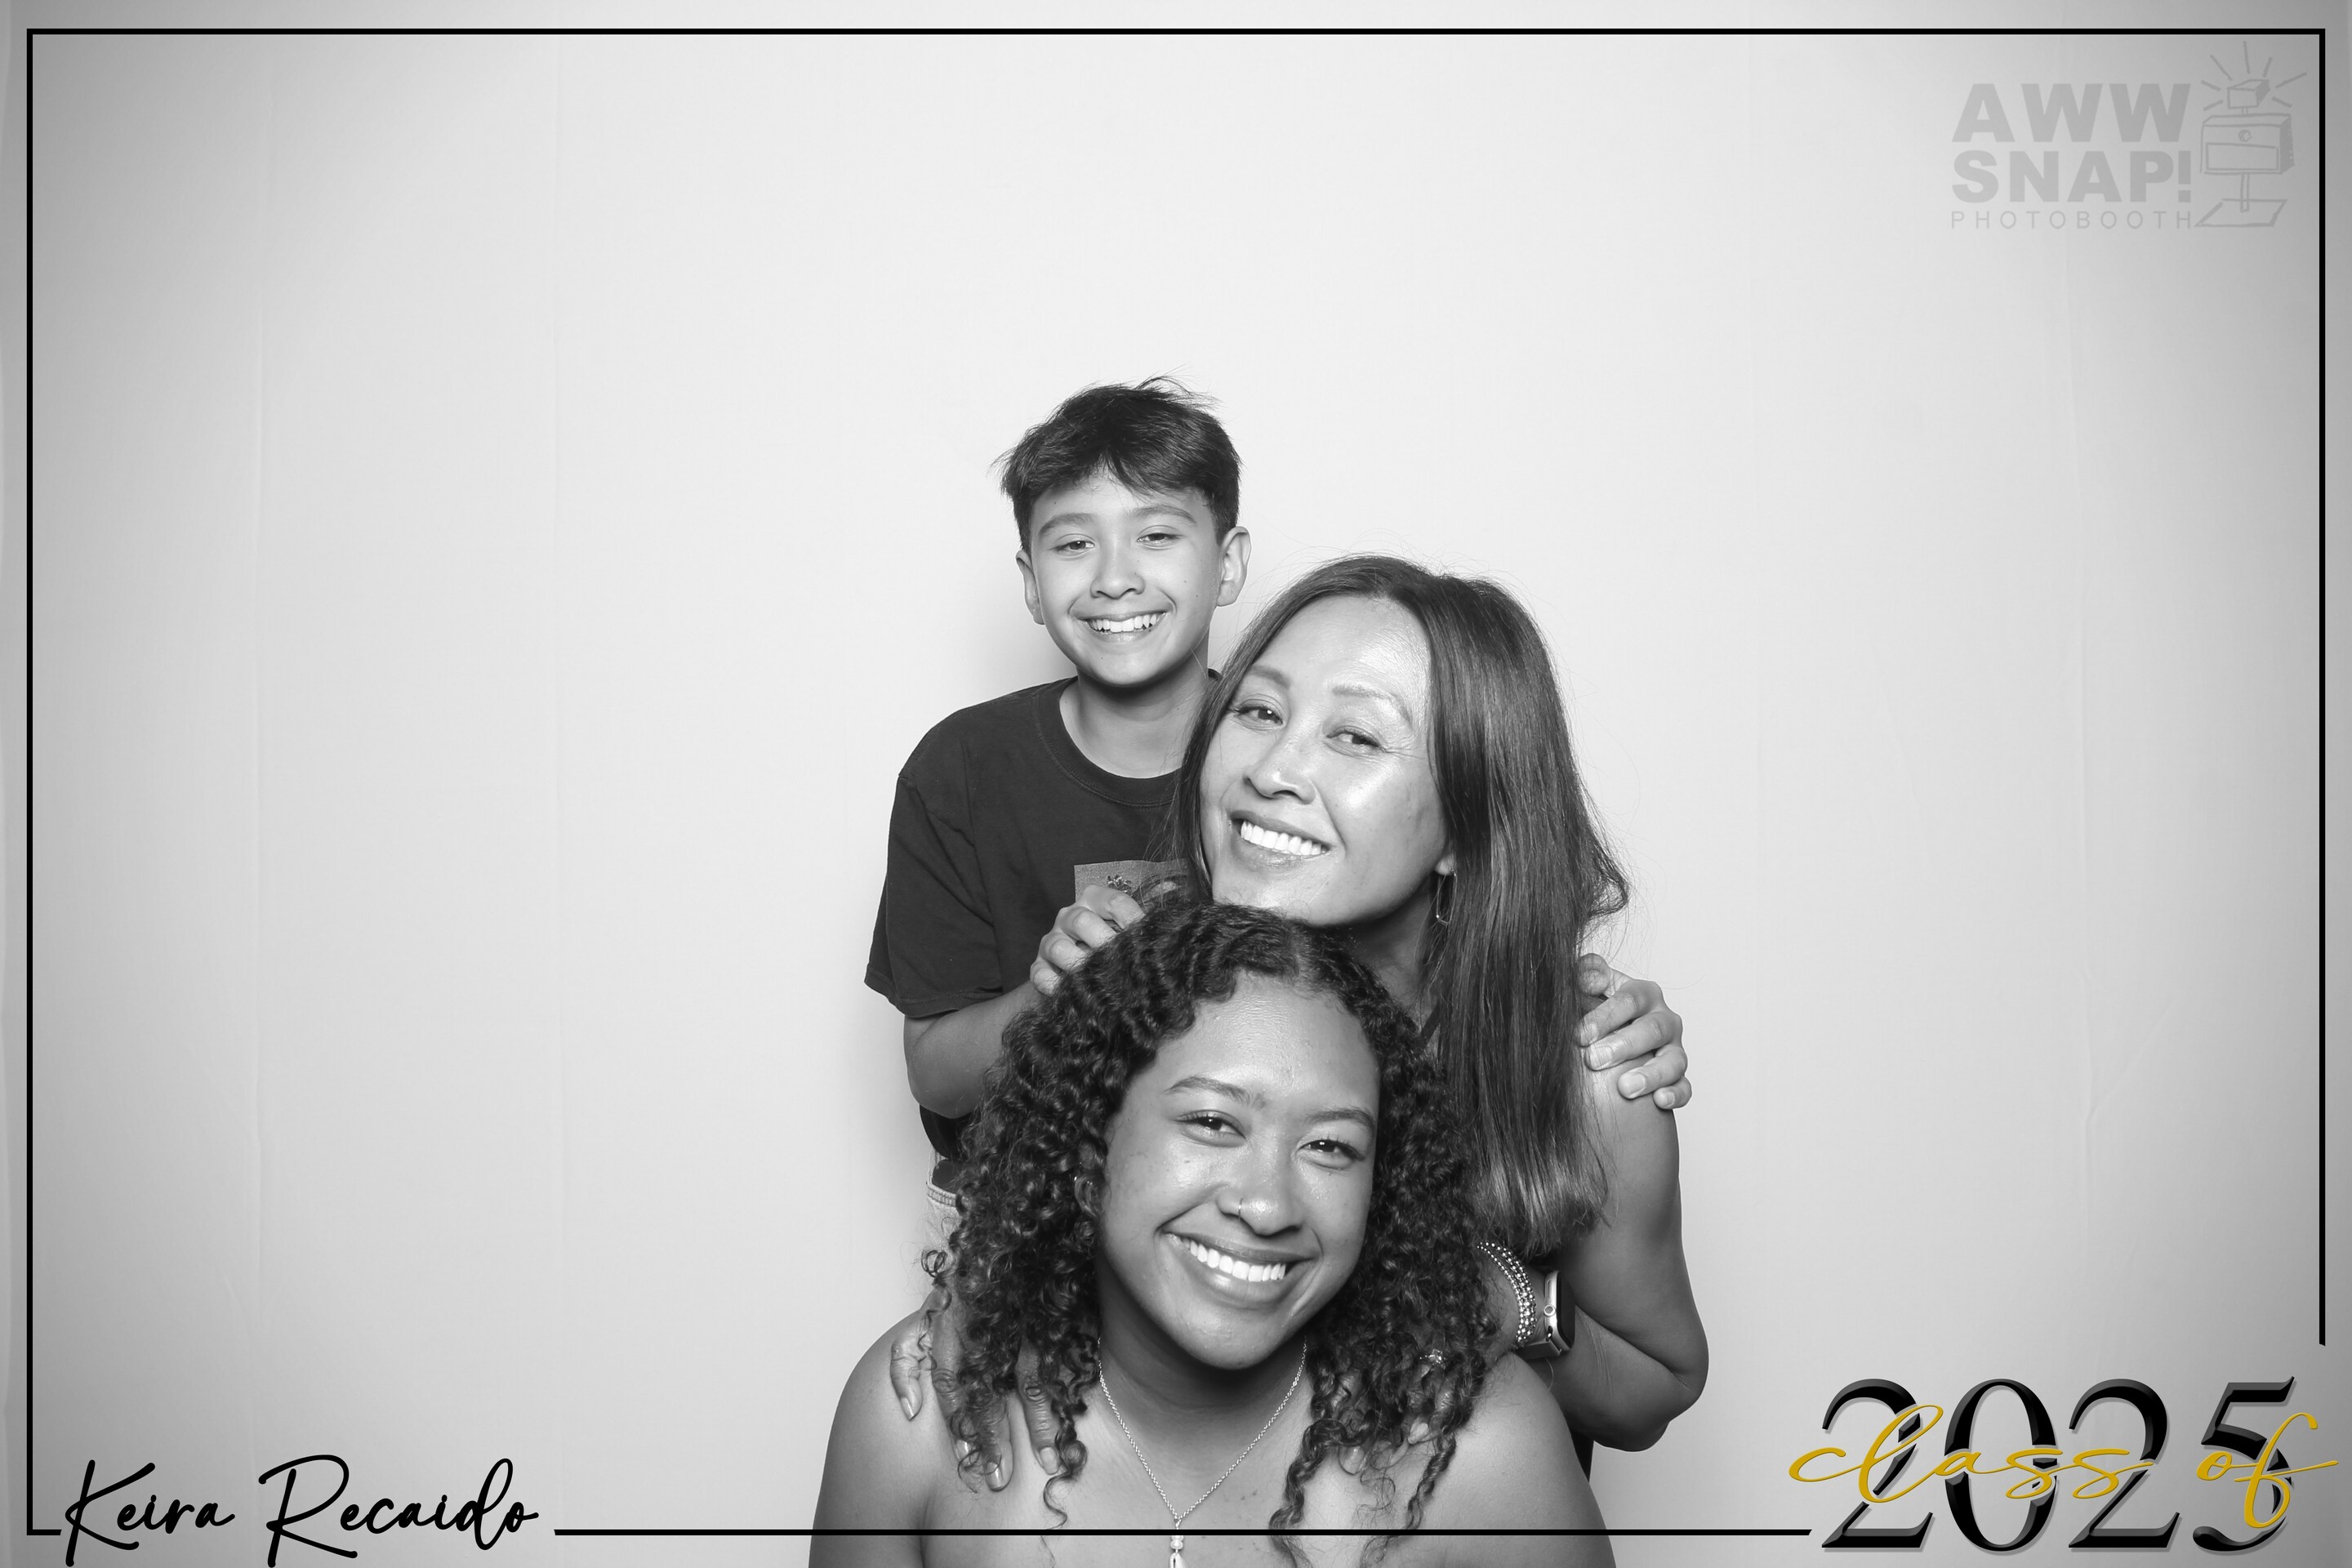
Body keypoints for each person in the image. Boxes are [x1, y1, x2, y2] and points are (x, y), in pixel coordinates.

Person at [897, 555, 1707, 1474]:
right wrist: (995, 1299)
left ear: (1467, 823)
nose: (1274, 769)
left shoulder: (1588, 1067)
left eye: (1355, 736)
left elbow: (1652, 1391)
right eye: (1258, 711)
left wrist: (1495, 1297)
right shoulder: (1141, 986)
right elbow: (1038, 1235)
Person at [867, 382, 1690, 1238]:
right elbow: (939, 1072)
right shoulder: (967, 768)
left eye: (1156, 535)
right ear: (1031, 583)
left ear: (1229, 563)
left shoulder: (1329, 803)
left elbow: (1487, 959)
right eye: (1075, 543)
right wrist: (1065, 993)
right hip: (1035, 1212)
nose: (1115, 578)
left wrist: (1578, 1028)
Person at [817, 898, 1610, 1566]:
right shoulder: (917, 1420)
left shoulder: (1487, 1454)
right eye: (1212, 1122)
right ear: (1088, 1143)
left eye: (1331, 1147)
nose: (1267, 1205)